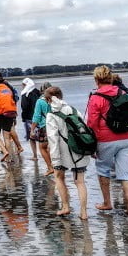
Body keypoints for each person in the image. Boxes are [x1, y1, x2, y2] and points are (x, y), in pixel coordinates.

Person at [87, 65, 128, 215]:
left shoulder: (96, 97)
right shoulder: (124, 92)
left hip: (106, 138)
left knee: (103, 170)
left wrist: (93, 143)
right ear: (111, 78)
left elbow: (92, 123)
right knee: (126, 174)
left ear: (96, 80)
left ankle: (107, 203)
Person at [44, 86, 90, 219]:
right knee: (80, 182)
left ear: (48, 99)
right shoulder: (74, 110)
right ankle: (83, 212)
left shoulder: (51, 115)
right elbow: (84, 128)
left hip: (62, 153)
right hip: (79, 151)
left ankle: (65, 207)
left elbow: (53, 139)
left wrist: (55, 159)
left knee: (59, 178)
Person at [0, 72, 22, 160]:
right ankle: (9, 158)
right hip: (10, 113)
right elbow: (15, 98)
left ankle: (5, 151)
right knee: (6, 137)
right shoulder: (9, 88)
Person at [29, 82, 55, 175]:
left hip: (44, 127)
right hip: (56, 126)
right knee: (53, 148)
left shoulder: (40, 101)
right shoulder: (56, 100)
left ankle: (50, 167)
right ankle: (56, 166)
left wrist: (32, 130)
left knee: (42, 147)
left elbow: (36, 117)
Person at [20, 77, 41, 154]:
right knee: (41, 137)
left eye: (23, 85)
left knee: (32, 138)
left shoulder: (25, 94)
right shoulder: (38, 92)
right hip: (40, 118)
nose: (22, 86)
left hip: (29, 118)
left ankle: (35, 155)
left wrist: (23, 118)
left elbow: (24, 107)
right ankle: (43, 153)